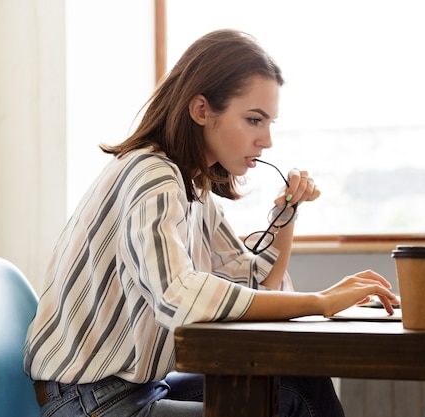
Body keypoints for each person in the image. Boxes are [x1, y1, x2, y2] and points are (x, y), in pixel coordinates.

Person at [23, 29, 399, 417]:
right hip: (90, 401)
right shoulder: (152, 175)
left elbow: (255, 279)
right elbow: (178, 297)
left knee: (300, 381)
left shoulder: (193, 186)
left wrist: (286, 214)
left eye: (270, 122)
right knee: (283, 399)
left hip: (140, 387)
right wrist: (318, 303)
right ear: (201, 110)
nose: (267, 139)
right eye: (254, 119)